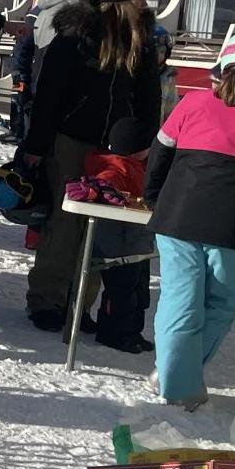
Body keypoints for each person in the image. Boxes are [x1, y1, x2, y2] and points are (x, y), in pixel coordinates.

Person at [146, 31, 235, 410]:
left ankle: (175, 375)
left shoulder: (192, 102)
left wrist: (154, 199)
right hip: (234, 222)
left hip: (177, 212)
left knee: (179, 299)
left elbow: (160, 154)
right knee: (220, 304)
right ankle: (177, 379)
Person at [20, 0, 161, 332]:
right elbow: (47, 94)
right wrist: (36, 145)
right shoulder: (74, 36)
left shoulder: (141, 41)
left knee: (100, 229)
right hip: (70, 140)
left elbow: (149, 98)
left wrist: (145, 142)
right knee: (65, 224)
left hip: (115, 149)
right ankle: (47, 300)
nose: (145, 3)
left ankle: (79, 303)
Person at [10, 0, 108, 144]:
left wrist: (20, 81)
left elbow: (22, 49)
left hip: (39, 94)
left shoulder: (41, 9)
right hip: (62, 103)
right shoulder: (83, 14)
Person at [79, 117, 156, 354]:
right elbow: (101, 187)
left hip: (136, 241)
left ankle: (132, 331)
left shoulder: (137, 167)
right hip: (118, 245)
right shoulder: (115, 170)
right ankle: (113, 333)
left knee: (139, 291)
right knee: (121, 291)